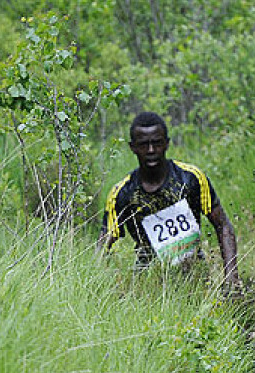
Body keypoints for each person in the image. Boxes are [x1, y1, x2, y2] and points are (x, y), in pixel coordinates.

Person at [100, 111, 240, 288]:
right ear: (132, 147)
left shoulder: (190, 178)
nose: (151, 150)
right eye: (143, 145)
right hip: (146, 281)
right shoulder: (122, 193)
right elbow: (103, 244)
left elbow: (223, 226)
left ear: (167, 143)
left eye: (157, 143)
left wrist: (231, 278)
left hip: (194, 278)